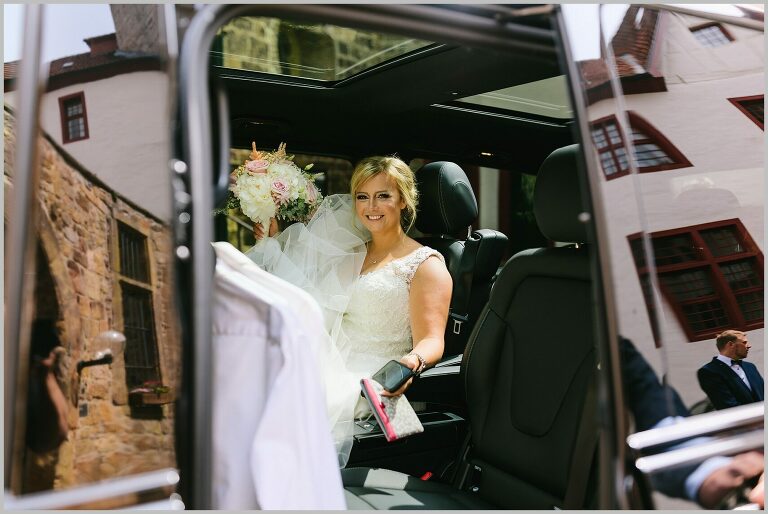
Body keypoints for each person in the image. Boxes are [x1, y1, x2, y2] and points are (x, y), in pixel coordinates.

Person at [248, 155, 452, 464]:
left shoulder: (425, 265)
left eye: (383, 196)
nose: (371, 206)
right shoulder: (352, 253)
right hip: (332, 365)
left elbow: (433, 340)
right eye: (363, 197)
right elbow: (306, 298)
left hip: (374, 384)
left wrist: (409, 364)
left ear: (402, 201)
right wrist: (273, 243)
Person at [620, 337, 764, 508]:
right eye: (744, 342)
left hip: (684, 457)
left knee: (638, 376)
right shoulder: (713, 371)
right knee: (661, 392)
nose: (748, 345)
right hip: (713, 440)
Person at [697, 330, 764, 410]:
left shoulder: (750, 367)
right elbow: (727, 405)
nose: (749, 346)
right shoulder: (708, 372)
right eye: (744, 342)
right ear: (731, 344)